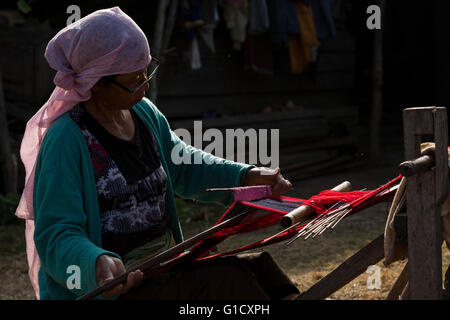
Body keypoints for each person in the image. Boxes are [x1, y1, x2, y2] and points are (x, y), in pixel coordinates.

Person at [15, 7, 299, 300]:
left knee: (261, 270)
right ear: (96, 83)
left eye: (146, 72)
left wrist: (247, 175)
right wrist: (95, 263)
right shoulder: (66, 140)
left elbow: (185, 164)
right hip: (119, 290)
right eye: (135, 80)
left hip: (163, 270)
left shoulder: (143, 113)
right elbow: (55, 234)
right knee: (227, 282)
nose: (146, 85)